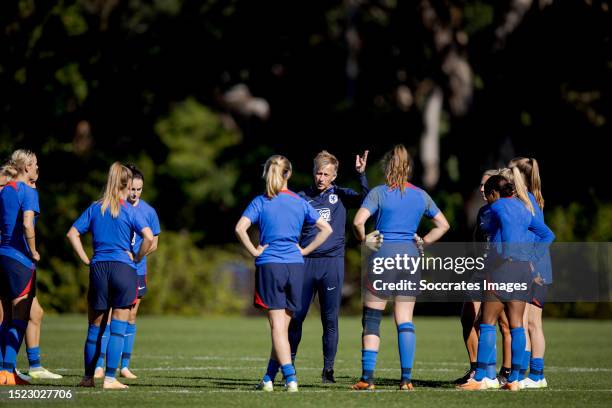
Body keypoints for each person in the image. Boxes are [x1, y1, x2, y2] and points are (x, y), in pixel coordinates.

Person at [351, 145, 450, 391]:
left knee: (372, 319)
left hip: (383, 255)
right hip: (409, 257)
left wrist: (364, 239)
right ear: (408, 169)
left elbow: (358, 221)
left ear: (387, 168)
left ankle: (367, 378)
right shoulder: (421, 196)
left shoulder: (379, 193)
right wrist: (423, 241)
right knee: (405, 319)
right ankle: (406, 379)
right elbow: (443, 225)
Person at [235, 155, 332, 392]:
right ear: (288, 174)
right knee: (282, 329)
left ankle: (290, 378)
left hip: (271, 266)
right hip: (295, 267)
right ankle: (268, 378)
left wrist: (255, 252)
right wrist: (305, 249)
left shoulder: (261, 201)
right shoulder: (300, 202)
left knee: (278, 328)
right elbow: (326, 228)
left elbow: (240, 228)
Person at [458, 175, 554, 391]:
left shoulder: (498, 207)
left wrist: (506, 256)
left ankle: (482, 378)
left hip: (503, 268)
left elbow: (508, 234)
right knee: (516, 324)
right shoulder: (523, 207)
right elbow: (547, 234)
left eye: (487, 193)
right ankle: (514, 380)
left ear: (494, 193)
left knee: (487, 322)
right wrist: (531, 258)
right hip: (522, 270)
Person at [284, 150, 369, 384]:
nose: (321, 178)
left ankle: (328, 371)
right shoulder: (302, 197)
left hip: (332, 264)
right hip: (305, 263)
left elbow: (366, 199)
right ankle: (288, 367)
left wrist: (361, 174)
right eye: (318, 173)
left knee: (330, 319)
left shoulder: (340, 195)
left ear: (334, 176)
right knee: (296, 316)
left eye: (326, 174)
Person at [67, 162, 154, 389]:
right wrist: (136, 257)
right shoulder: (129, 210)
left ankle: (87, 378)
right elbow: (149, 237)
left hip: (99, 269)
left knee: (95, 327)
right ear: (127, 185)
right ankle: (110, 378)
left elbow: (72, 233)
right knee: (118, 327)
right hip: (123, 269)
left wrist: (86, 259)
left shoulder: (96, 208)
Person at [94, 164, 160, 379]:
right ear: (125, 186)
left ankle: (124, 365)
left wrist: (138, 256)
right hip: (116, 267)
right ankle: (99, 364)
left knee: (131, 315)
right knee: (110, 315)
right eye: (132, 188)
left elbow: (154, 243)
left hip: (137, 269)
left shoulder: (148, 212)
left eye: (139, 189)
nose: (135, 193)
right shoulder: (116, 207)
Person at [455, 169, 511, 386]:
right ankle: (476, 369)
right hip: (481, 269)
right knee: (468, 317)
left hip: (501, 269)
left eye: (485, 184)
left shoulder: (507, 210)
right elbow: (477, 243)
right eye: (480, 184)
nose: (481, 188)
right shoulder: (482, 212)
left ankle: (506, 372)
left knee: (504, 323)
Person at [509, 157, 550, 389]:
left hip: (535, 270)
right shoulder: (527, 199)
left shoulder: (527, 201)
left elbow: (541, 236)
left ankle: (534, 375)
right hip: (532, 267)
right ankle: (527, 373)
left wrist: (532, 265)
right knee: (526, 323)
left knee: (529, 323)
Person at [0, 150, 40, 386]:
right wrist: (33, 250)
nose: (37, 169)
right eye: (35, 165)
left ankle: (3, 371)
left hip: (1, 255)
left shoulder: (4, 191)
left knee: (4, 318)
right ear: (26, 167)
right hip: (19, 260)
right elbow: (27, 223)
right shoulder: (28, 191)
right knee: (20, 317)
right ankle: (8, 371)